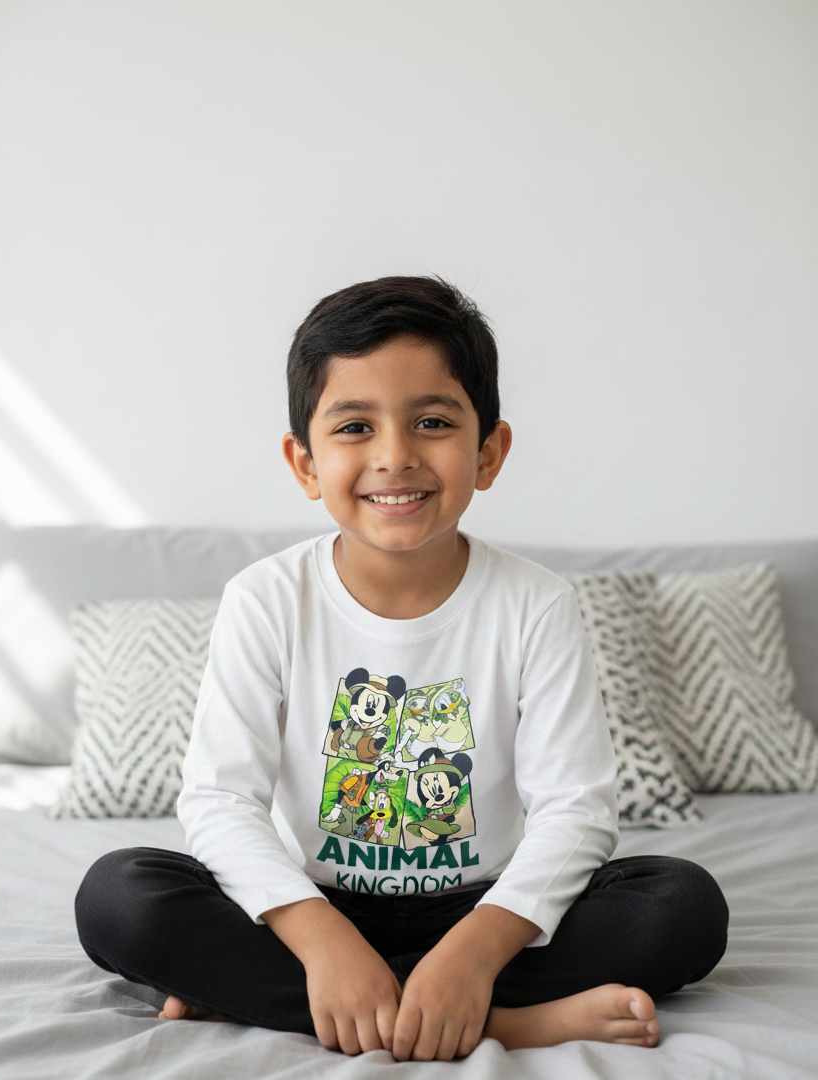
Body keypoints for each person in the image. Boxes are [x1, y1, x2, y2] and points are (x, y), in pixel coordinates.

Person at [74, 276, 728, 1061]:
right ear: (305, 462)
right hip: (308, 907)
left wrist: (477, 949)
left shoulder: (537, 605)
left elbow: (576, 812)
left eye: (431, 421)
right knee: (119, 898)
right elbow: (219, 802)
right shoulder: (266, 600)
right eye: (354, 426)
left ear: (488, 452)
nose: (395, 456)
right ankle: (496, 1021)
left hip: (487, 909)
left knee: (682, 907)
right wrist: (320, 941)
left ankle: (312, 999)